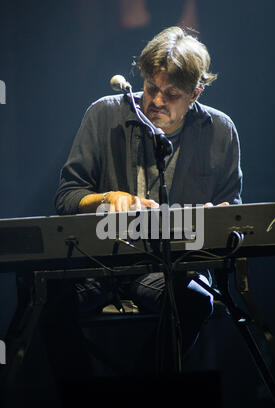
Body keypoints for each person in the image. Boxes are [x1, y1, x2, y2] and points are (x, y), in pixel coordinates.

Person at [54, 26, 242, 361]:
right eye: (151, 87)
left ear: (196, 93)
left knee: (196, 301)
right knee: (46, 299)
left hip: (170, 269)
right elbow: (67, 197)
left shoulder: (220, 131)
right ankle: (80, 405)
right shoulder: (104, 114)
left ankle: (141, 401)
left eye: (171, 94)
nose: (156, 100)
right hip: (97, 265)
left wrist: (218, 217)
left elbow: (235, 215)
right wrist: (105, 198)